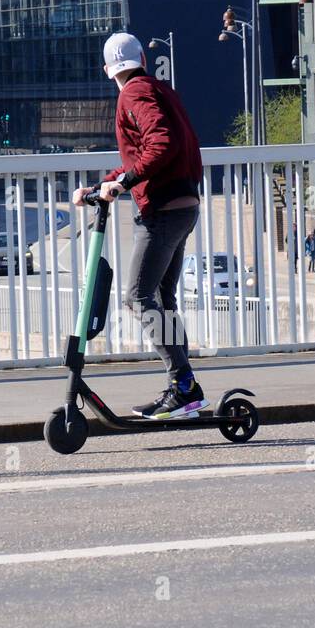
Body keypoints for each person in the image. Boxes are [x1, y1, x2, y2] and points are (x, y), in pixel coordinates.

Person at [75, 32, 205, 421]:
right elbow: (143, 155)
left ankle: (183, 385)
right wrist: (104, 186)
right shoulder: (157, 87)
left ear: (107, 70)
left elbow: (159, 144)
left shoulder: (132, 94)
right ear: (140, 62)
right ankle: (185, 388)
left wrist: (126, 183)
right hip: (183, 204)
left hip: (163, 211)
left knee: (138, 297)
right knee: (162, 299)